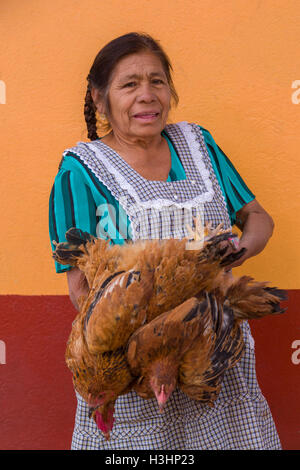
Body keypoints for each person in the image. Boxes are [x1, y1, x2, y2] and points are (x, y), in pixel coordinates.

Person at [49, 32, 280, 450]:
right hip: (135, 373)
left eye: (157, 81)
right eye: (130, 84)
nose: (147, 95)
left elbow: (257, 218)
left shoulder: (199, 145)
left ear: (170, 91)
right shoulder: (79, 171)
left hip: (217, 357)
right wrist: (148, 344)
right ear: (100, 99)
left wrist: (234, 254)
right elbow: (80, 289)